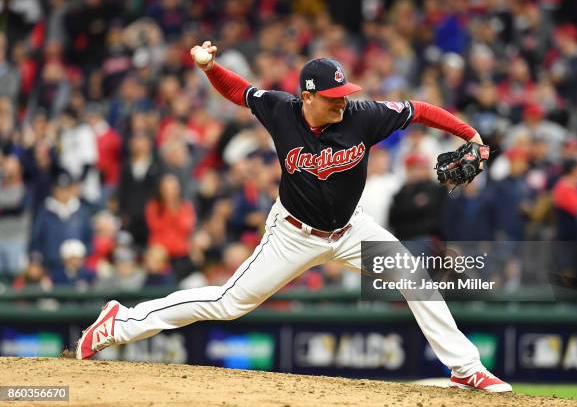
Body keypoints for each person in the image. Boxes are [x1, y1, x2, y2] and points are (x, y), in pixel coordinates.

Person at [76, 41, 512, 393]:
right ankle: (121, 322)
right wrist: (210, 68)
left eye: (345, 94)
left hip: (351, 229)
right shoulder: (282, 111)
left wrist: (470, 134)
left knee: (412, 278)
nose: (343, 102)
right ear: (308, 96)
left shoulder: (363, 116)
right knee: (229, 303)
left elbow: (419, 109)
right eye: (333, 97)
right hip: (292, 234)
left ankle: (465, 368)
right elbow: (239, 90)